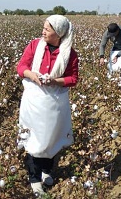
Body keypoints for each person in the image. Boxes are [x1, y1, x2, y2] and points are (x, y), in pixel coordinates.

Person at [16, 15, 79, 197]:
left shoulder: (69, 53)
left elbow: (73, 79)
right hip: (34, 99)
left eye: (47, 29)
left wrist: (55, 80)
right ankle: (34, 178)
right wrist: (32, 75)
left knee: (51, 136)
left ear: (58, 34)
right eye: (43, 28)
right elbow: (21, 67)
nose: (43, 31)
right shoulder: (35, 46)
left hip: (55, 101)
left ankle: (46, 171)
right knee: (34, 137)